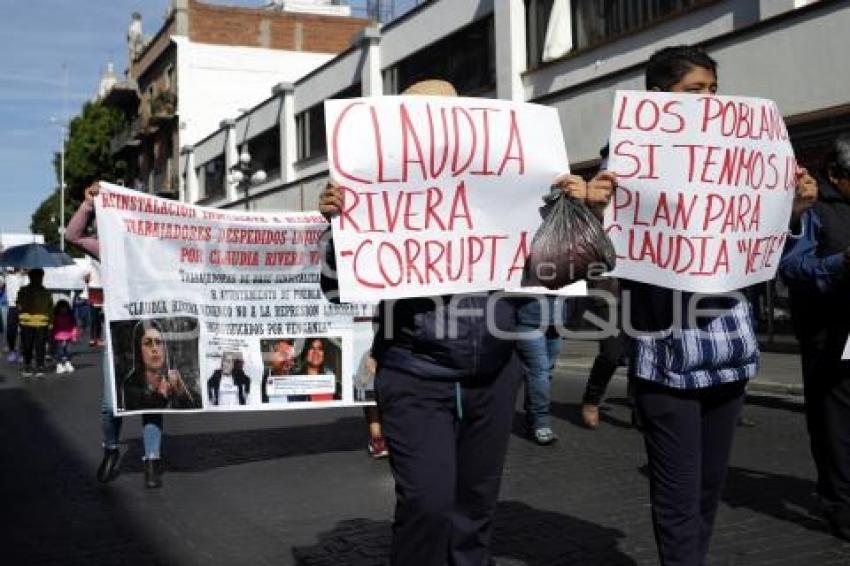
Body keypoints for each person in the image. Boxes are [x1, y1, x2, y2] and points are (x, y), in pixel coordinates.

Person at [319, 78, 613, 566]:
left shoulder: (507, 187)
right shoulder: (376, 191)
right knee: (427, 504)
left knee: (475, 510)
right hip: (415, 375)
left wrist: (581, 213)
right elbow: (334, 288)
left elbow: (570, 270)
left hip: (493, 376)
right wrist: (341, 228)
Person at [606, 45, 818, 566]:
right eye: (695, 90)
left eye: (713, 89)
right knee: (678, 496)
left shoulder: (734, 158)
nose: (709, 101)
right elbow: (611, 251)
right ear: (660, 97)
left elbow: (764, 249)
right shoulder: (629, 159)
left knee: (706, 489)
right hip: (668, 361)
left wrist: (790, 208)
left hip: (729, 351)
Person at [66, 183, 169, 489]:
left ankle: (152, 458)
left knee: (151, 401)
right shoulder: (112, 247)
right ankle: (111, 449)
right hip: (119, 332)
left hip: (155, 330)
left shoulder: (165, 248)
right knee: (111, 405)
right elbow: (72, 236)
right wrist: (87, 205)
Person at [779, 132, 850, 542]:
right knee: (836, 422)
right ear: (837, 174)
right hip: (830, 333)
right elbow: (793, 268)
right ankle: (841, 502)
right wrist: (843, 263)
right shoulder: (810, 207)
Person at [514, 294, 568, 445]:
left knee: (545, 372)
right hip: (528, 318)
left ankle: (533, 418)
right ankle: (541, 421)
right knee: (540, 371)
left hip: (556, 320)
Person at [580, 277, 630, 429]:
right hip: (610, 292)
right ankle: (592, 399)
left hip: (643, 295)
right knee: (611, 354)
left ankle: (638, 406)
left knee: (640, 354)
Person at [119, 319, 197, 411]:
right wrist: (161, 396)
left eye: (158, 342)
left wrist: (182, 393)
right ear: (139, 350)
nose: (155, 349)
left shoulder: (174, 380)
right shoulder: (131, 385)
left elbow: (194, 414)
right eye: (148, 343)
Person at [17, 268, 53, 377]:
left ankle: (40, 366)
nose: (38, 280)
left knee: (40, 345)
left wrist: (51, 322)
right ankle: (27, 365)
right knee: (27, 345)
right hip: (27, 322)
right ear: (30, 278)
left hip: (41, 323)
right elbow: (19, 305)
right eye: (35, 277)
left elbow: (50, 308)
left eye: (40, 277)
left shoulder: (46, 292)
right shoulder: (23, 291)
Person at [260, 338, 296, 403]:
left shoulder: (298, 384)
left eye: (291, 358)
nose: (288, 362)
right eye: (284, 355)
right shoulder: (259, 383)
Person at [51, 299, 78, 374]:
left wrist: (74, 336)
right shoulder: (56, 317)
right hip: (58, 337)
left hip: (68, 337)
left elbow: (73, 327)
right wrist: (52, 337)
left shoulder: (70, 317)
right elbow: (53, 328)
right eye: (62, 308)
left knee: (68, 351)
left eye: (65, 308)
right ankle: (59, 365)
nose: (63, 310)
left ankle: (67, 363)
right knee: (59, 352)